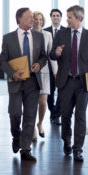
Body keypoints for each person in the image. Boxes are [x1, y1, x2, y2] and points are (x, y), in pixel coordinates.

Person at [50, 5, 88, 162]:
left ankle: (78, 149)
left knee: (80, 116)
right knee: (65, 115)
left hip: (82, 82)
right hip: (65, 82)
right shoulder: (61, 34)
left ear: (79, 18)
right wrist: (55, 53)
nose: (66, 20)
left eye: (70, 17)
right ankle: (67, 142)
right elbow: (52, 54)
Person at [0, 7, 47, 162]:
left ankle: (25, 149)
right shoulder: (8, 38)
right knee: (15, 113)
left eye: (33, 17)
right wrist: (12, 73)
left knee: (30, 115)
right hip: (16, 81)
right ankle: (16, 136)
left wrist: (39, 64)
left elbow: (43, 56)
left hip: (33, 81)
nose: (33, 20)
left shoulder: (39, 36)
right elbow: (2, 60)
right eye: (29, 17)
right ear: (19, 19)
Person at [32, 11, 58, 141]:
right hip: (30, 73)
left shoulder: (47, 35)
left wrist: (55, 71)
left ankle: (40, 123)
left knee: (43, 102)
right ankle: (32, 129)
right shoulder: (28, 34)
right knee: (30, 103)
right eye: (36, 19)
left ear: (43, 21)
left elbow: (51, 55)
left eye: (40, 19)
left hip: (44, 72)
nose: (38, 21)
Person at [44, 9, 66, 125]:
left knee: (62, 93)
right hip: (48, 67)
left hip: (62, 67)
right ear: (51, 17)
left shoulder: (66, 32)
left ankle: (56, 115)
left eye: (58, 15)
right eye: (54, 16)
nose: (56, 17)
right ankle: (53, 112)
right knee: (49, 93)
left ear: (61, 17)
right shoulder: (45, 31)